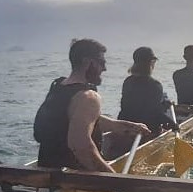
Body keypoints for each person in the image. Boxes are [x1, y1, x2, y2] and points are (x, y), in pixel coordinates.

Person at [34, 37, 149, 171]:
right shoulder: (88, 97)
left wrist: (129, 127)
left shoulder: (59, 86)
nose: (104, 68)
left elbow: (85, 120)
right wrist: (114, 180)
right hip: (73, 180)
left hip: (47, 172)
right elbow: (81, 146)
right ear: (87, 62)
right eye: (101, 63)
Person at [117, 46, 176, 141]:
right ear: (150, 63)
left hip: (128, 128)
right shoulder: (155, 85)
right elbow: (154, 113)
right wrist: (173, 124)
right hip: (146, 131)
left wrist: (163, 105)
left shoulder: (127, 82)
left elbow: (135, 107)